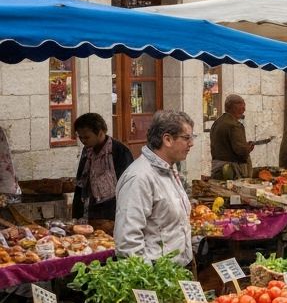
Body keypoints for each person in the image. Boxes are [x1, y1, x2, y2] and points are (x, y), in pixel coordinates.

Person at [114, 110, 194, 266]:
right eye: (186, 138)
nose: (191, 143)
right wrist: (149, 278)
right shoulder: (139, 178)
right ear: (167, 139)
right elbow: (128, 241)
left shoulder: (170, 169)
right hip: (157, 276)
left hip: (176, 271)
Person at [71, 113, 133, 228]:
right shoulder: (87, 151)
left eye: (87, 137)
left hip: (113, 212)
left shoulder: (120, 152)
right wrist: (76, 214)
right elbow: (81, 181)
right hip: (91, 210)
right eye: (81, 137)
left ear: (100, 133)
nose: (83, 141)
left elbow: (129, 187)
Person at [209, 94, 255, 180]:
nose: (244, 110)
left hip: (217, 171)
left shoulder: (217, 123)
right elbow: (240, 151)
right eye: (242, 107)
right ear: (233, 108)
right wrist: (248, 148)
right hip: (231, 173)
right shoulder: (234, 125)